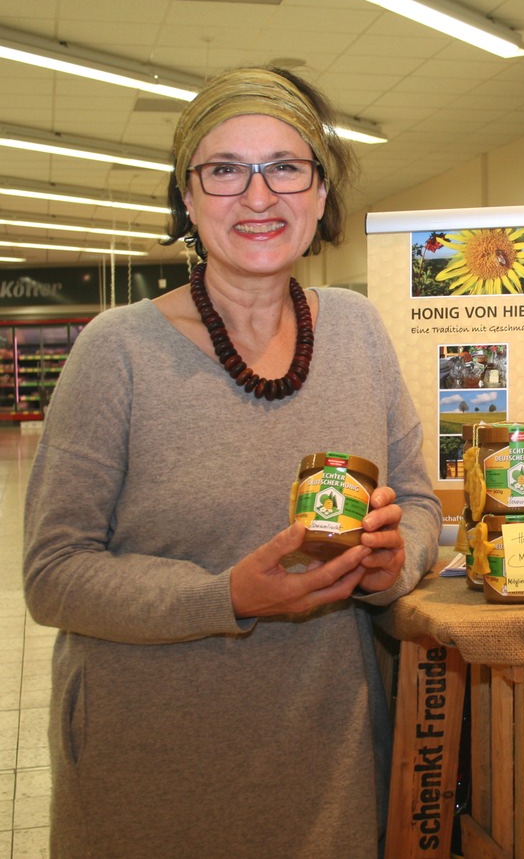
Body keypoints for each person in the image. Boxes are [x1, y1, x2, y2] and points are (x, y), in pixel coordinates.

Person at [22, 66, 441, 857]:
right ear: (186, 197)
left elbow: (418, 501)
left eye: (286, 167)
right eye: (225, 171)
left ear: (320, 196)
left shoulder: (357, 331)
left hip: (329, 754)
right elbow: (54, 571)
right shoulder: (116, 351)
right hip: (149, 766)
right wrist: (225, 596)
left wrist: (397, 559)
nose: (258, 197)